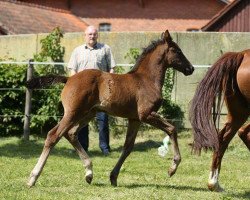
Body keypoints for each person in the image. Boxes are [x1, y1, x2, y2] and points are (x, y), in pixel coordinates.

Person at [67, 25, 116, 155]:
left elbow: (112, 68)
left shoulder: (105, 49)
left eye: (94, 34)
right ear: (85, 35)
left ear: (97, 35)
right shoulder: (77, 51)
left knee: (103, 121)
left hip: (101, 93)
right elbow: (72, 70)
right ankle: (83, 147)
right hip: (83, 94)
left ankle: (105, 149)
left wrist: (110, 86)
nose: (92, 36)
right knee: (82, 122)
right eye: (89, 34)